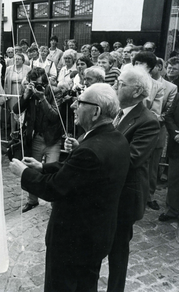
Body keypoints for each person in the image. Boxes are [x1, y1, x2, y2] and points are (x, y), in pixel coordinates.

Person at [10, 83, 130, 292]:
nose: (74, 105)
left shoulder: (91, 149)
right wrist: (42, 166)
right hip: (95, 237)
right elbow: (78, 173)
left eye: (80, 102)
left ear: (95, 112)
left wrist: (24, 173)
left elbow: (55, 188)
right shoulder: (115, 137)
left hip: (73, 241)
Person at [107, 66, 160, 292]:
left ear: (137, 92)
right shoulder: (115, 112)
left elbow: (131, 159)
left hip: (125, 197)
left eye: (122, 83)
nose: (116, 85)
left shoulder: (147, 121)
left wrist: (95, 154)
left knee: (118, 251)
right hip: (106, 192)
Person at [12, 67, 62, 213]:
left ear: (46, 83)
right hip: (36, 138)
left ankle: (55, 203)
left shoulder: (55, 92)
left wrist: (42, 98)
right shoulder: (30, 92)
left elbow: (54, 116)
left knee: (53, 171)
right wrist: (26, 95)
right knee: (32, 170)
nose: (37, 86)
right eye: (33, 83)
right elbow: (16, 110)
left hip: (53, 139)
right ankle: (32, 200)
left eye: (39, 84)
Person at [132, 52, 165, 210]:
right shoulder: (125, 80)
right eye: (136, 63)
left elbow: (155, 113)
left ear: (151, 68)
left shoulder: (157, 86)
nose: (138, 67)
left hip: (144, 129)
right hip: (125, 128)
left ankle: (145, 197)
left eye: (142, 64)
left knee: (146, 167)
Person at [160, 92, 179, 221]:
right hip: (177, 144)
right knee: (174, 179)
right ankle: (172, 210)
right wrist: (175, 134)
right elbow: (169, 116)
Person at [4, 53, 31, 132]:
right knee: (13, 111)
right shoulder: (9, 68)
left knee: (22, 111)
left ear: (23, 61)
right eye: (15, 59)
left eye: (19, 59)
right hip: (12, 90)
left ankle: (21, 132)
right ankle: (13, 132)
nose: (17, 60)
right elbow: (6, 82)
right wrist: (6, 94)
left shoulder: (28, 68)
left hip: (23, 90)